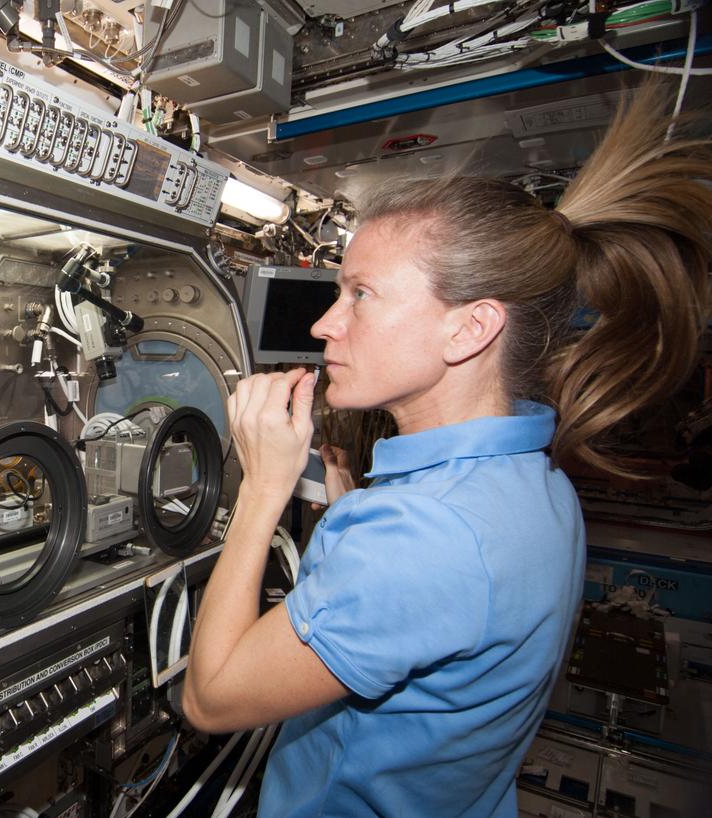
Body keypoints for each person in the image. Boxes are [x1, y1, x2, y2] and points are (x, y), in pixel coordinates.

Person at [181, 83, 711, 817]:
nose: (327, 324)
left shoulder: (424, 538)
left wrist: (262, 489)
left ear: (469, 330)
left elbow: (211, 696)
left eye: (362, 294)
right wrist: (351, 510)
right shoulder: (536, 483)